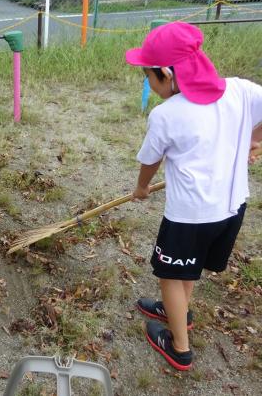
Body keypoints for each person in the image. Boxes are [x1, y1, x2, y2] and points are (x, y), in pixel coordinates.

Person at [125, 22, 262, 371]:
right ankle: (179, 312)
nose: (148, 82)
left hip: (190, 217)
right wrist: (255, 139)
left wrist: (141, 188)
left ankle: (179, 348)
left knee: (170, 275)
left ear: (168, 74)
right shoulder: (240, 90)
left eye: (148, 75)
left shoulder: (166, 114)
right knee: (190, 265)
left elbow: (150, 160)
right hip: (232, 209)